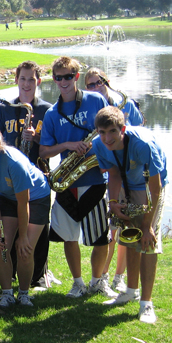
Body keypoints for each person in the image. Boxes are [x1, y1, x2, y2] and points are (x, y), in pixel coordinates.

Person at [39, 56, 113, 299]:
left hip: (94, 178)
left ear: (76, 77)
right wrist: (69, 145)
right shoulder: (51, 114)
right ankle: (78, 282)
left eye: (68, 77)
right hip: (68, 182)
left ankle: (97, 281)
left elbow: (110, 132)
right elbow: (44, 151)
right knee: (69, 237)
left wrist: (98, 150)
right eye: (58, 77)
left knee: (100, 237)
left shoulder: (95, 100)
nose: (63, 82)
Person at [93, 107, 167, 323]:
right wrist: (114, 201)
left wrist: (147, 225)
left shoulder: (143, 145)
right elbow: (114, 173)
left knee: (147, 241)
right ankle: (130, 291)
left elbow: (156, 187)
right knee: (130, 237)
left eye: (112, 132)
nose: (107, 138)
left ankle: (146, 304)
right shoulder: (99, 144)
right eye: (102, 132)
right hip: (126, 183)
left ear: (122, 129)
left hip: (148, 186)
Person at [0, 125, 51, 309]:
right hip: (6, 197)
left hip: (35, 198)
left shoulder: (14, 163)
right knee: (0, 246)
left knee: (25, 249)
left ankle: (23, 294)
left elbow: (24, 203)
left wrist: (22, 237)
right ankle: (7, 294)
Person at [0, 60, 57, 289]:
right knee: (11, 228)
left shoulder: (47, 110)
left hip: (39, 178)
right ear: (16, 80)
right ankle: (9, 274)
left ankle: (39, 275)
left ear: (38, 81)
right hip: (9, 180)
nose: (26, 84)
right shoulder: (4, 108)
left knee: (37, 229)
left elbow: (54, 144)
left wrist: (36, 138)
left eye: (31, 79)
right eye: (22, 79)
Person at [83, 67, 144, 291]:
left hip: (132, 174)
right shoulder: (93, 107)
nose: (94, 87)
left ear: (106, 82)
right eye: (89, 85)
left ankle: (120, 277)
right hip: (110, 173)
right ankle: (104, 276)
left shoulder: (124, 104)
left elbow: (138, 129)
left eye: (97, 82)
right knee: (110, 229)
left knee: (127, 230)